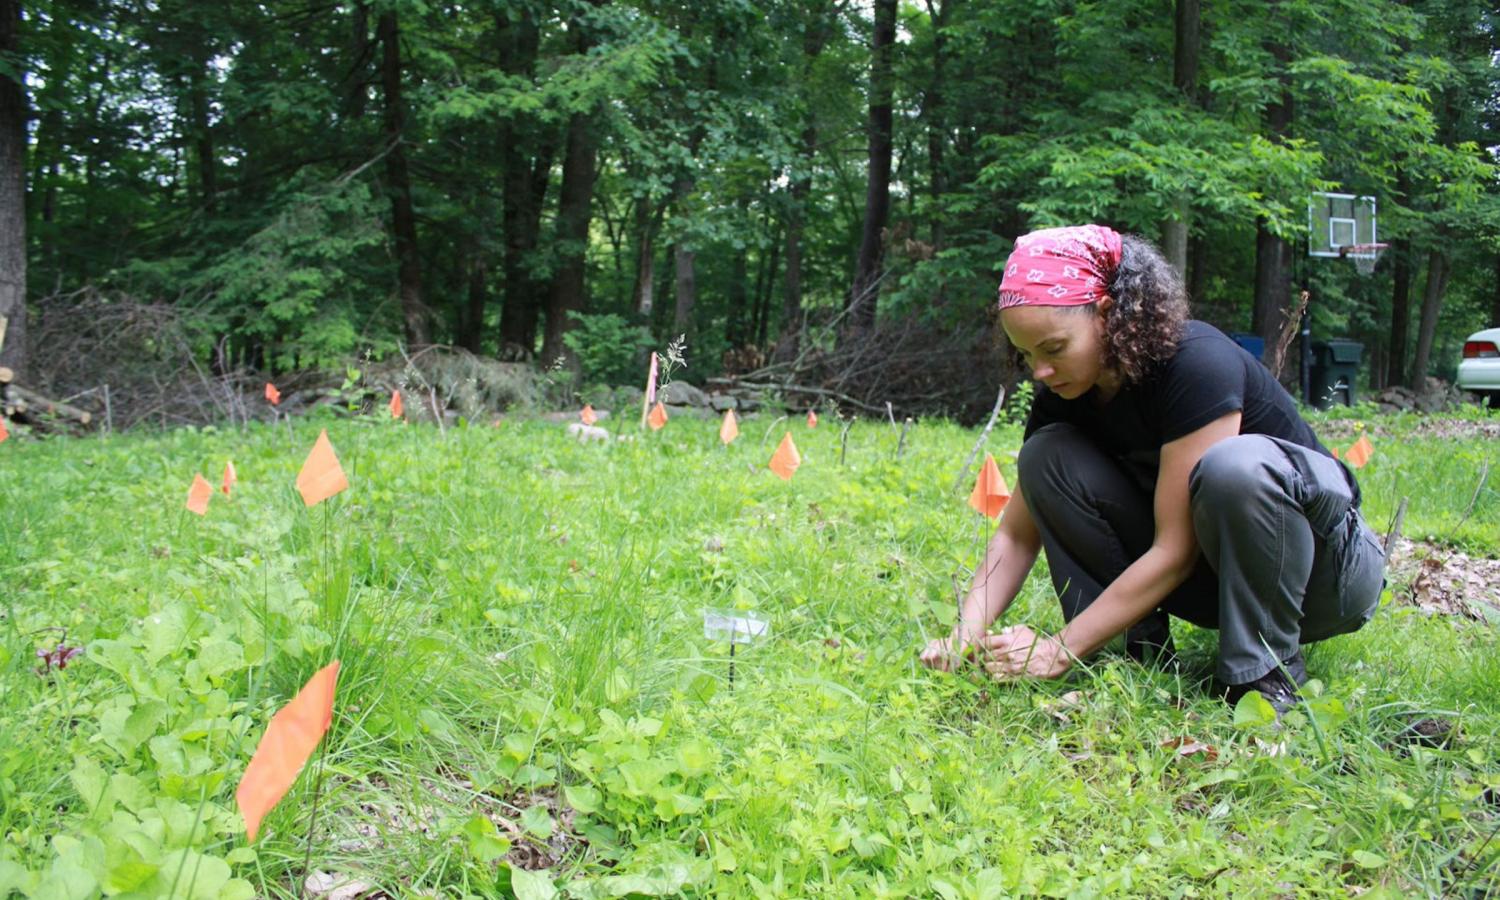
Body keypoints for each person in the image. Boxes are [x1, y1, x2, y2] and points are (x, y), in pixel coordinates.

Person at [919, 224, 1385, 711]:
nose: (1040, 371)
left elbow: (1174, 551)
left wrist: (1057, 648)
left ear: (1106, 314)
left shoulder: (1196, 364)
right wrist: (963, 636)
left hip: (1329, 578)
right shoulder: (1065, 393)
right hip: (1219, 584)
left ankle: (1266, 683)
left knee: (1234, 467)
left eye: (1053, 348)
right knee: (1045, 455)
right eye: (1026, 354)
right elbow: (1016, 536)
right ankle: (1128, 662)